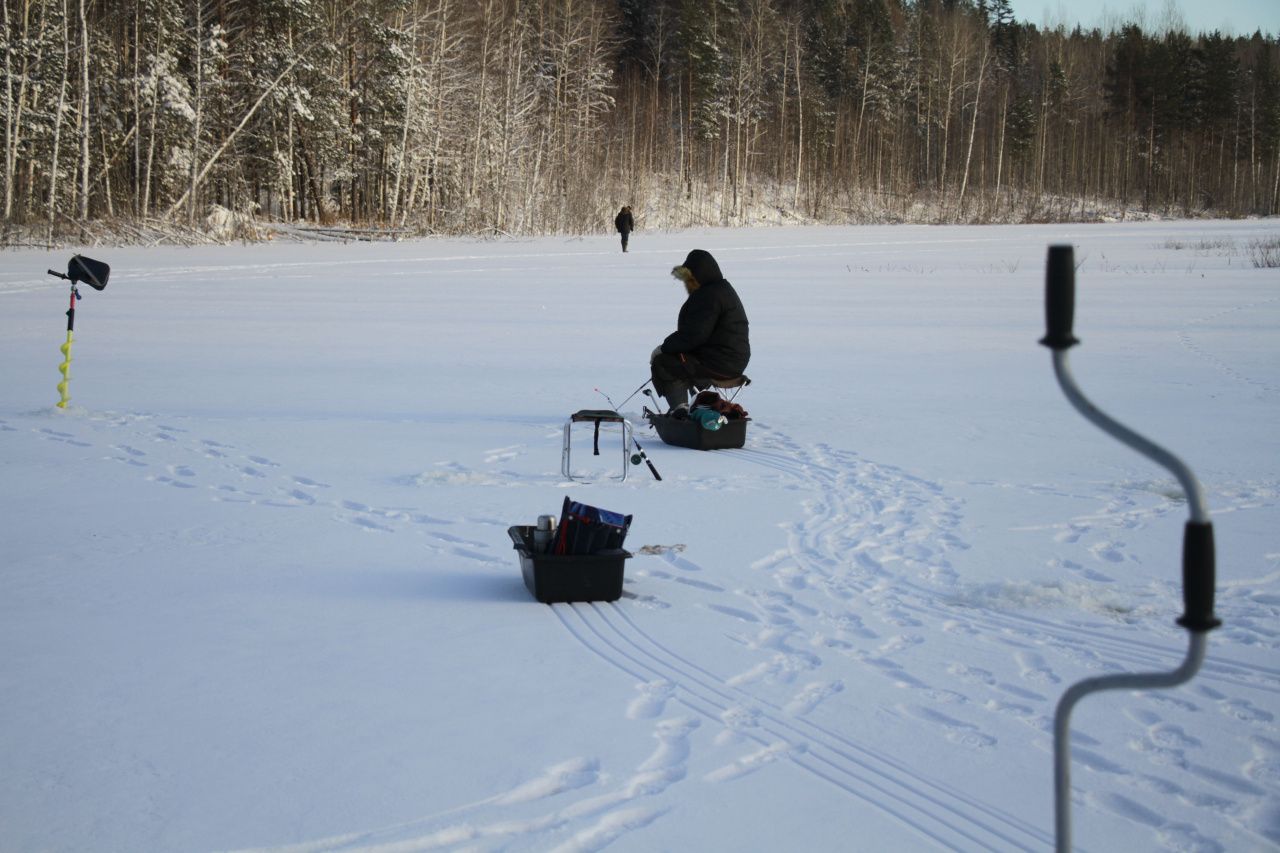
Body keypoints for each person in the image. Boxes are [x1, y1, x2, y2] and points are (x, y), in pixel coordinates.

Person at [650, 249, 750, 412]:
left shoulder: (708, 296)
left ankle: (680, 411)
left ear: (700, 274)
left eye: (690, 277)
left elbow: (693, 335)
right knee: (686, 361)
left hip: (721, 363)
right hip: (730, 360)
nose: (687, 282)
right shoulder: (721, 289)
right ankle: (703, 406)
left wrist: (663, 348)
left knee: (663, 362)